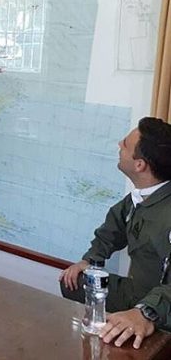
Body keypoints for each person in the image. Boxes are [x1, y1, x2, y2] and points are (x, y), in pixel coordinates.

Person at [59, 117, 171, 350]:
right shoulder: (140, 197)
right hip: (137, 291)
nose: (119, 145)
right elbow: (112, 231)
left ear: (140, 165)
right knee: (74, 281)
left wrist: (145, 313)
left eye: (126, 145)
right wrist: (88, 261)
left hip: (161, 305)